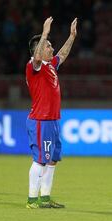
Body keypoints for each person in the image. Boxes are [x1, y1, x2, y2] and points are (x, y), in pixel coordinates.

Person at [25, 17, 77, 209]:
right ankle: (32, 200)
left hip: (53, 120)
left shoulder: (51, 66)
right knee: (40, 159)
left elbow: (62, 54)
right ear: (38, 49)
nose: (52, 48)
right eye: (48, 46)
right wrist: (44, 32)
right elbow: (38, 57)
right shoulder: (34, 66)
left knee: (52, 159)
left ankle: (45, 197)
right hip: (41, 120)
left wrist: (72, 36)